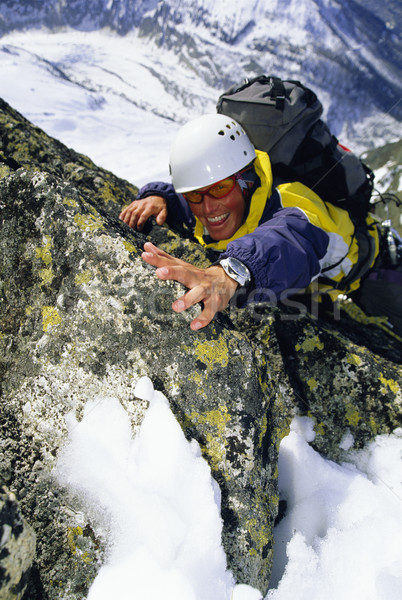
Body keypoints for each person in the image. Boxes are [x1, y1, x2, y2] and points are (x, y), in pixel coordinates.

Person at [120, 113, 401, 335]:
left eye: (219, 189)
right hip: (319, 288)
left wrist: (230, 273)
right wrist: (161, 196)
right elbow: (194, 202)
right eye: (194, 194)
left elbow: (290, 238)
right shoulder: (222, 198)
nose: (207, 208)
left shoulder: (295, 202)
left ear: (247, 181)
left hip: (372, 273)